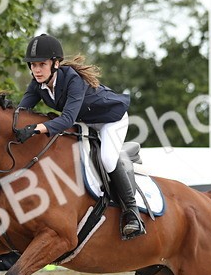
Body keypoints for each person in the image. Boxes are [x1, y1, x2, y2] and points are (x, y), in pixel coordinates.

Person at [15, 33, 146, 239]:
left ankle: (132, 213)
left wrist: (35, 128)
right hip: (84, 121)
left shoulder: (72, 79)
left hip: (111, 119)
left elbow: (66, 119)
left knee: (107, 158)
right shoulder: (37, 84)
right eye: (32, 65)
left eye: (41, 64)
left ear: (55, 63)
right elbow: (21, 112)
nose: (36, 70)